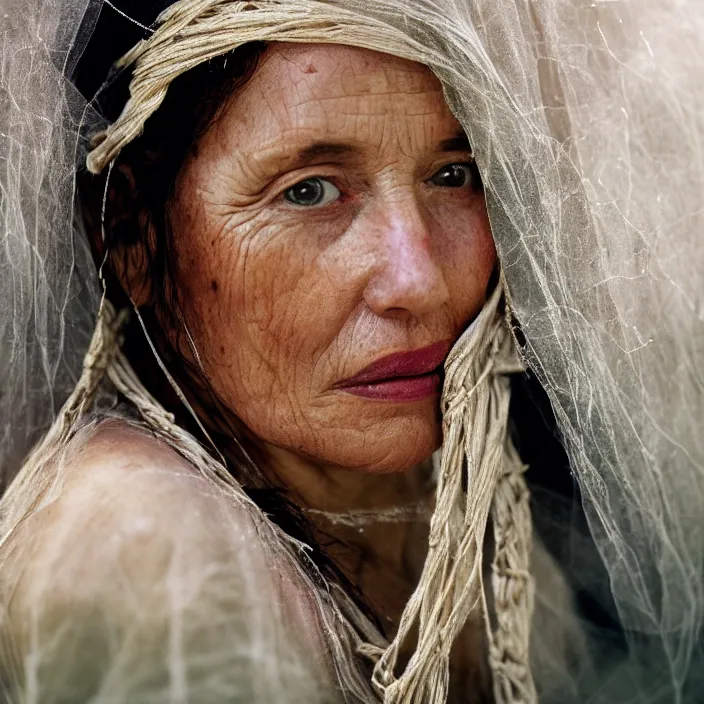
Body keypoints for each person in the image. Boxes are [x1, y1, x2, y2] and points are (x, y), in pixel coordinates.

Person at [1, 1, 703, 703]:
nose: (419, 281)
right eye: (309, 192)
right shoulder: (150, 553)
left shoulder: (450, 492)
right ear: (130, 238)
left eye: (453, 175)